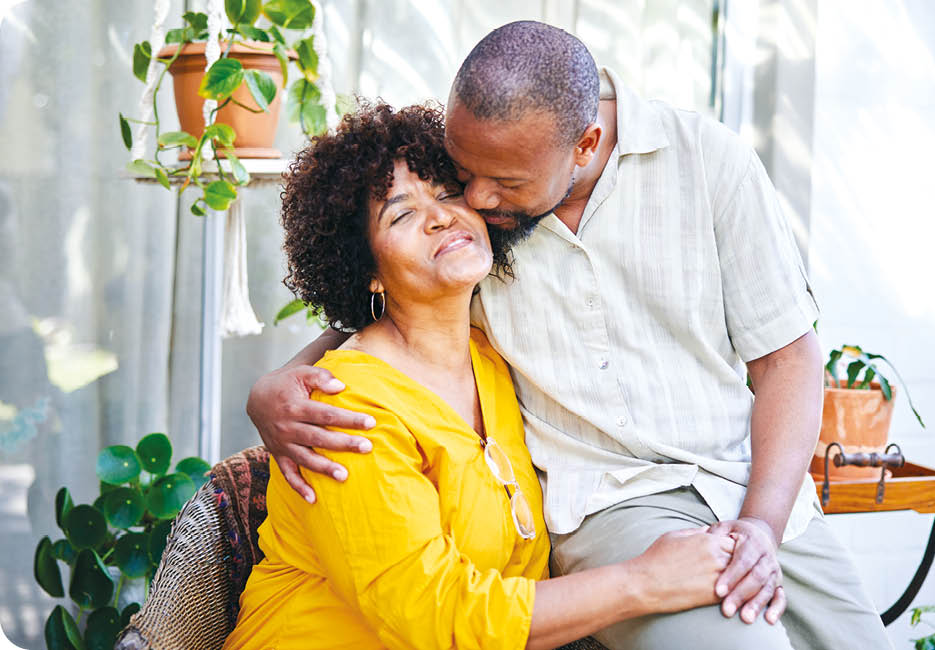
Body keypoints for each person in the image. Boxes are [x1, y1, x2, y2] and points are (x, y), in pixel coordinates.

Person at [246, 22, 893, 650]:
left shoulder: (704, 159)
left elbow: (786, 356)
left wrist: (761, 524)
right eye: (461, 172)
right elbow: (372, 310)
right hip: (613, 506)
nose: (471, 198)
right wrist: (274, 388)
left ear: (584, 146)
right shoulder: (481, 209)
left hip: (742, 477)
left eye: (495, 184)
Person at [224, 102, 737, 650]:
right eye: (400, 215)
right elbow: (437, 615)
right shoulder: (346, 409)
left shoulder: (494, 360)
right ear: (368, 271)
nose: (440, 216)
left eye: (447, 193)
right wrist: (645, 581)